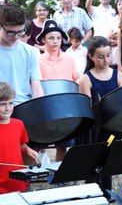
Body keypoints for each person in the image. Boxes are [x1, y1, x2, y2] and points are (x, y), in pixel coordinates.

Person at [78, 36, 122, 197]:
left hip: (112, 129)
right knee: (92, 169)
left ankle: (107, 196)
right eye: (100, 56)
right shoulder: (86, 78)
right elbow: (86, 110)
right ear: (91, 57)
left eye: (108, 55)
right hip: (94, 132)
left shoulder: (118, 75)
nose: (105, 60)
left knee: (108, 167)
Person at [36, 19, 79, 161]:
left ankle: (59, 172)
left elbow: (75, 79)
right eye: (51, 38)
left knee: (62, 144)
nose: (55, 41)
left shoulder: (69, 59)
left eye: (58, 38)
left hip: (63, 106)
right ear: (44, 40)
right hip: (45, 105)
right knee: (40, 142)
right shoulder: (37, 59)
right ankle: (40, 166)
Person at [0, 3, 44, 105]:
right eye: (10, 32)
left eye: (20, 32)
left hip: (24, 107)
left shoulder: (31, 51)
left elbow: (37, 88)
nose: (16, 37)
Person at [0, 82, 38, 194]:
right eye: (2, 104)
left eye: (10, 103)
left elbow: (20, 144)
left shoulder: (18, 124)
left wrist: (27, 149)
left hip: (19, 182)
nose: (8, 108)